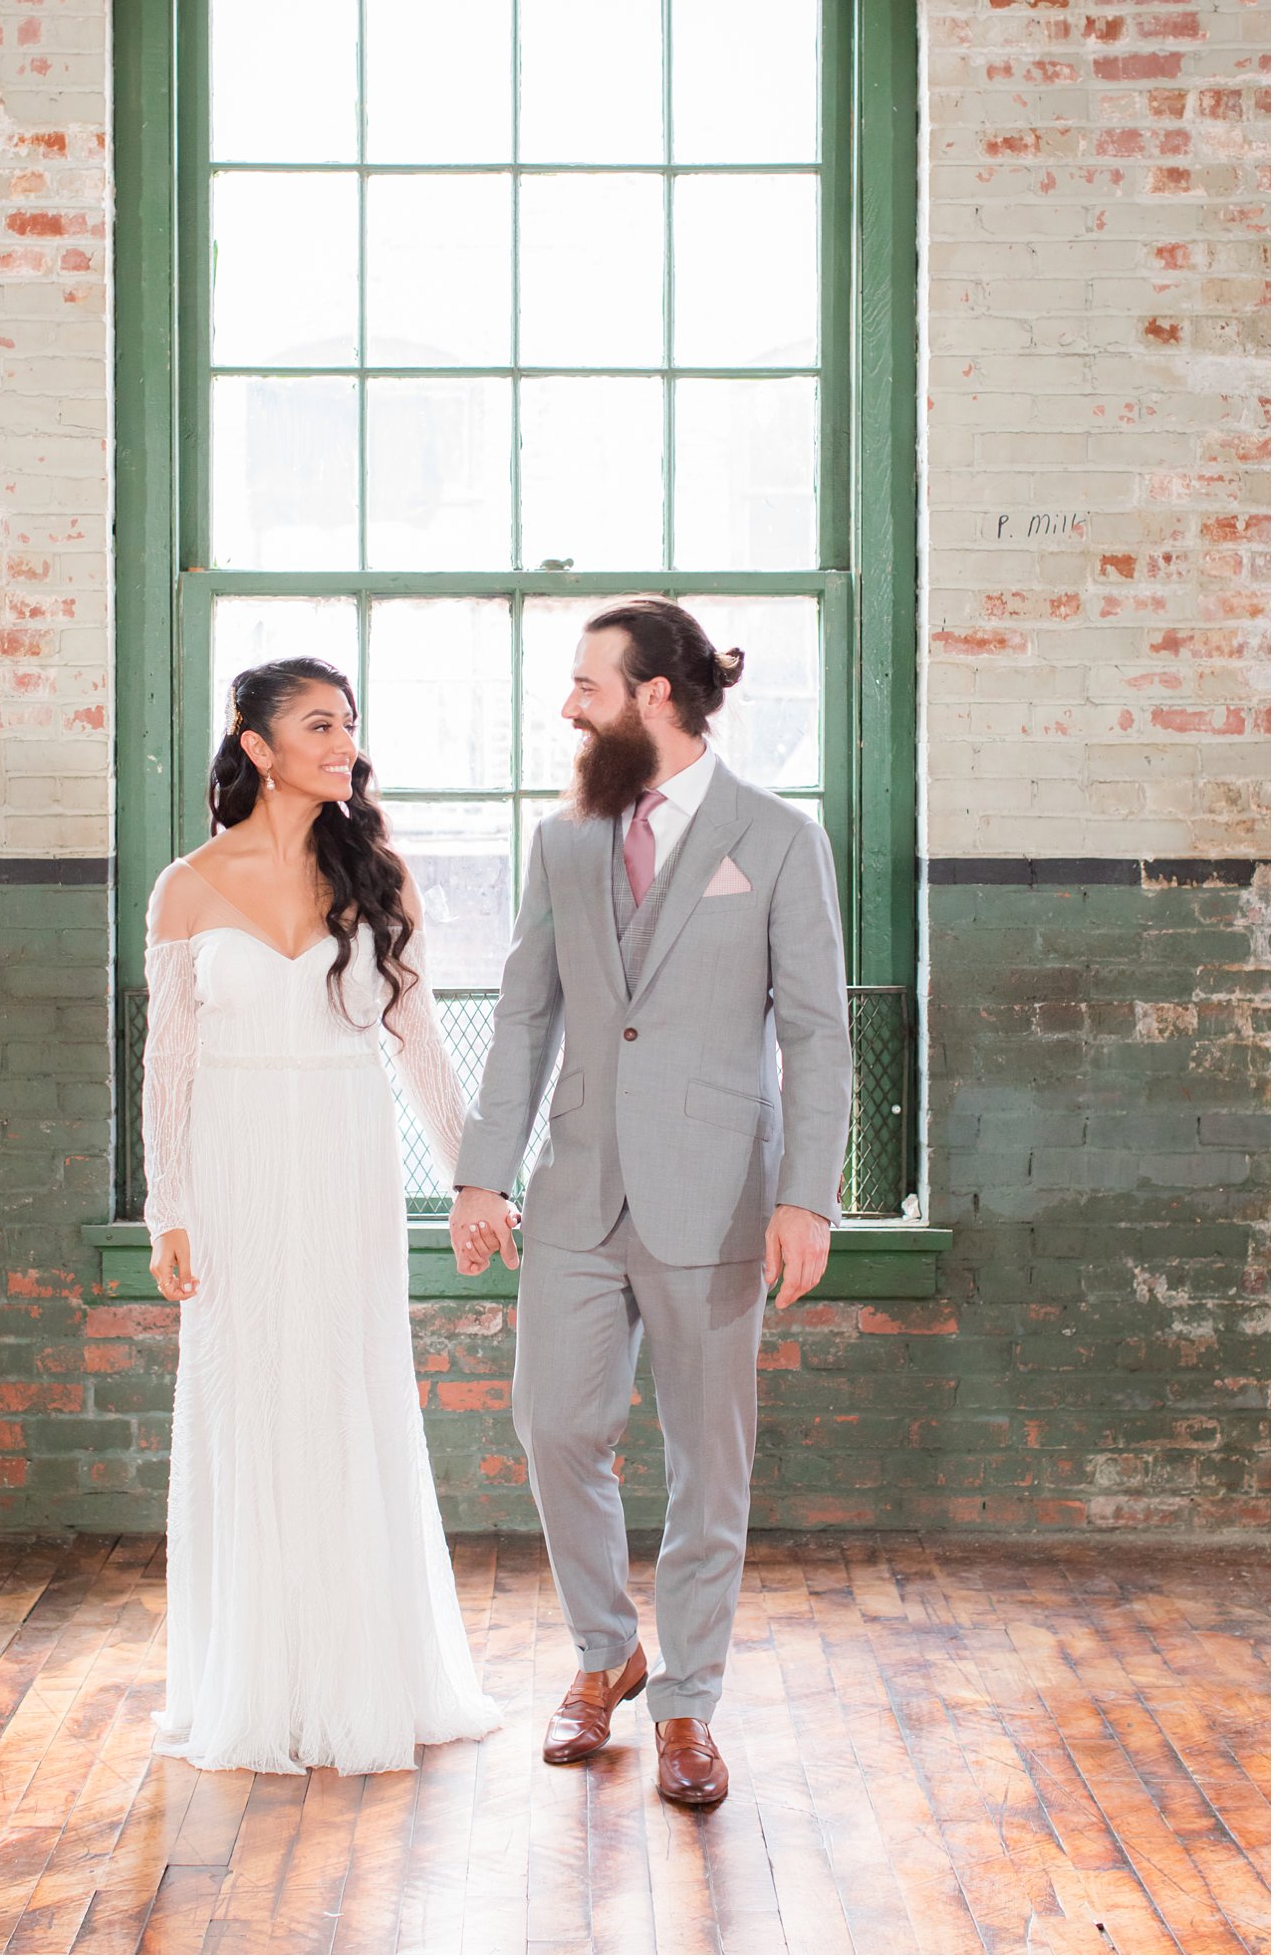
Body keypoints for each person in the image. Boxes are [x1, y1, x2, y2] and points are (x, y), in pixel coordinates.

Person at [451, 598, 852, 1808]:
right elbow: (527, 1014)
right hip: (577, 1191)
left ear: (656, 697)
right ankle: (603, 1651)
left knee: (705, 1466)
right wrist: (483, 1168)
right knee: (553, 1430)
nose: (568, 706)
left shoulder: (777, 839)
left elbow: (817, 1034)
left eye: (586, 685)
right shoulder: (564, 842)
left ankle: (685, 1705)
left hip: (720, 1197)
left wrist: (807, 1199)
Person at [140, 656, 499, 1774]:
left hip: (345, 1170)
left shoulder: (378, 878)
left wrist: (473, 1178)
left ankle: (363, 1678)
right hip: (233, 1167)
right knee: (247, 1401)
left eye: (347, 725)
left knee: (347, 1395)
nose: (341, 743)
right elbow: (167, 1071)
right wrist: (169, 1211)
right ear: (255, 746)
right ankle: (255, 1683)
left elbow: (421, 1046)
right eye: (316, 725)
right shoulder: (185, 887)